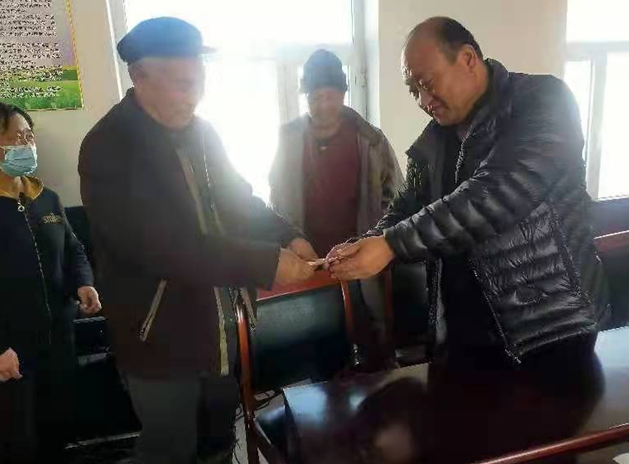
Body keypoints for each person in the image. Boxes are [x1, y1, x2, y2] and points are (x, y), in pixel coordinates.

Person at [79, 17, 316, 464]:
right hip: (158, 340)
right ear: (139, 76)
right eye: (182, 84)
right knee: (169, 450)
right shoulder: (108, 146)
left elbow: (239, 200)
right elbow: (167, 247)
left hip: (220, 330)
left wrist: (288, 235)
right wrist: (267, 263)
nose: (194, 96)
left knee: (218, 444)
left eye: (199, 83)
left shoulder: (203, 133)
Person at [328, 17, 610, 365]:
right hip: (466, 337)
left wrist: (390, 245)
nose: (423, 100)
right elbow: (408, 205)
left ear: (467, 59)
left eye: (427, 83)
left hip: (550, 331)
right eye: (413, 90)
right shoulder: (437, 138)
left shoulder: (545, 101)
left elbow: (494, 194)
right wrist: (369, 241)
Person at [0, 103, 101, 463]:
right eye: (17, 137)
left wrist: (84, 283)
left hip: (58, 338)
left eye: (30, 136)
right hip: (12, 349)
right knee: (19, 442)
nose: (27, 144)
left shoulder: (47, 198)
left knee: (57, 429)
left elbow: (74, 249)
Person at [270, 49, 403, 258]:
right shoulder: (288, 141)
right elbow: (277, 198)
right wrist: (289, 242)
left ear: (343, 94)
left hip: (360, 259)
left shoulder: (371, 141)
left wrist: (376, 241)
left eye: (330, 97)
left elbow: (397, 198)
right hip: (305, 260)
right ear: (306, 97)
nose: (323, 106)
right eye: (315, 98)